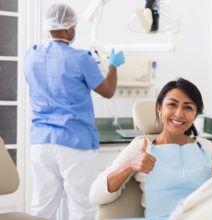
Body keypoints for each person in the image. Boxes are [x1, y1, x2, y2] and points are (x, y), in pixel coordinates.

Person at [24, 3, 125, 220]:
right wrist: (113, 66)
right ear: (69, 28)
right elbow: (107, 91)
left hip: (41, 143)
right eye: (75, 27)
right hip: (74, 144)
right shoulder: (81, 58)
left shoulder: (31, 56)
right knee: (83, 206)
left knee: (41, 207)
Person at [89, 78, 212, 219]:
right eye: (172, 104)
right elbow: (95, 196)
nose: (179, 113)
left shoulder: (206, 147)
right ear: (159, 108)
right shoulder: (141, 147)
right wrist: (130, 165)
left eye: (188, 107)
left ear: (196, 114)